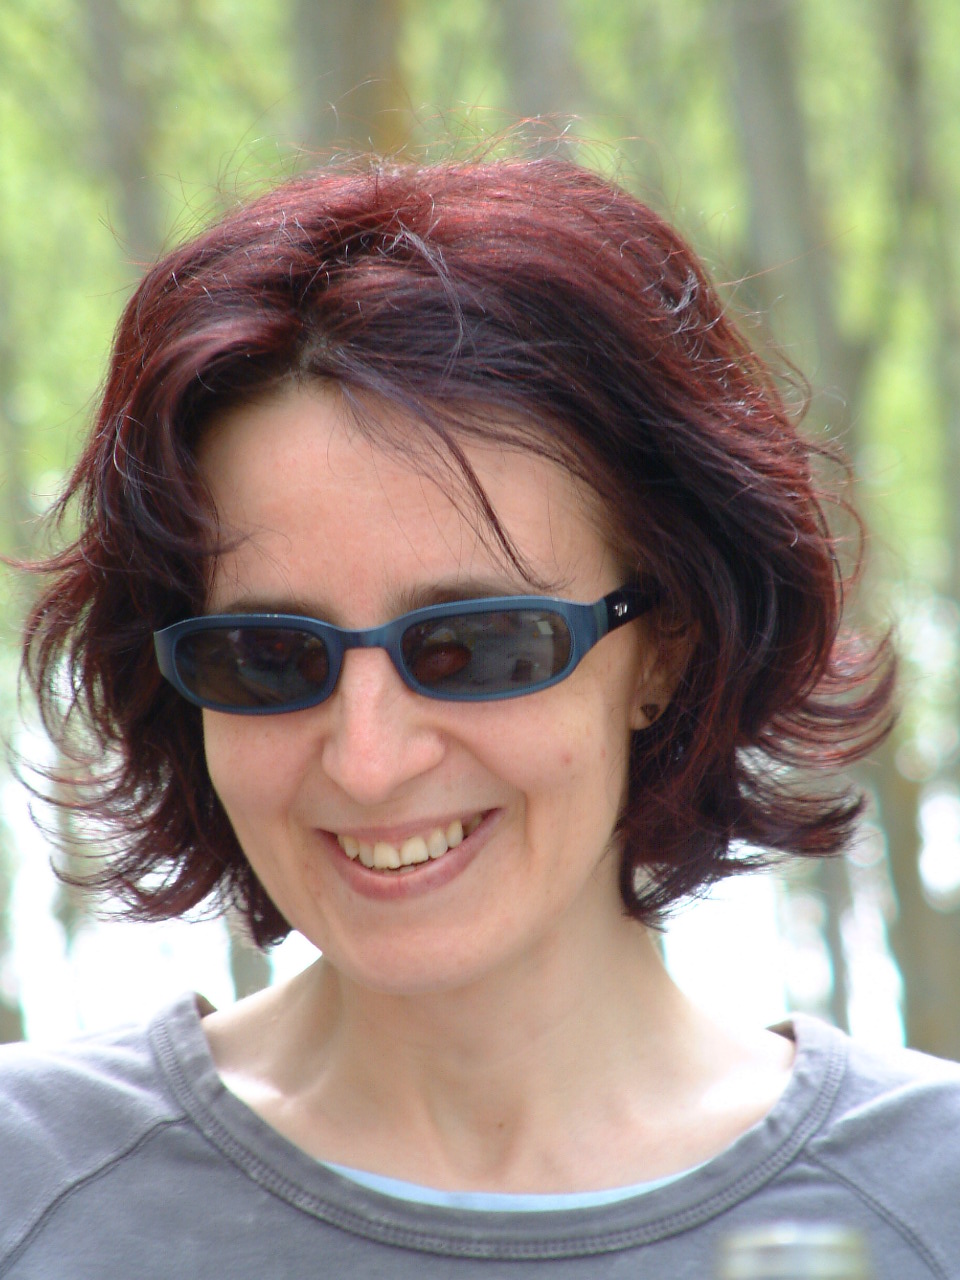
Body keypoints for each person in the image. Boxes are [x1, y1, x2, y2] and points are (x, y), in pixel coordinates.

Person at [3, 152, 959, 1279]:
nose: (368, 760)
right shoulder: (30, 1188)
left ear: (665, 645)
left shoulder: (930, 1200)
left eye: (476, 646)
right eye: (269, 657)